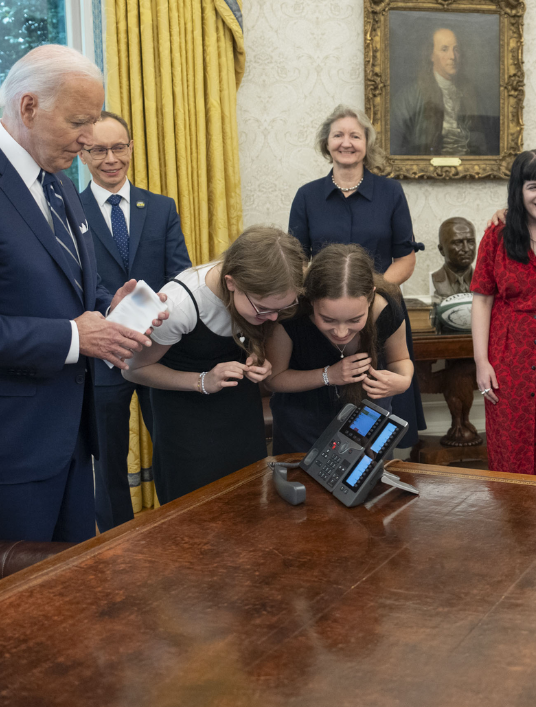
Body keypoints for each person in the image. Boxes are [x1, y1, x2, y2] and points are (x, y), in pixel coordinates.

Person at [0, 44, 161, 542]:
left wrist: (104, 309)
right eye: (79, 123)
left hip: (72, 434)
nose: (90, 139)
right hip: (11, 443)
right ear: (28, 108)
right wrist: (72, 337)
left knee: (71, 591)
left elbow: (56, 288)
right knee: (19, 605)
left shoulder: (60, 183)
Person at [122, 226, 304, 503]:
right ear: (231, 283)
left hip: (241, 414)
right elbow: (132, 369)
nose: (272, 318)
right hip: (187, 424)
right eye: (263, 310)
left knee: (249, 499)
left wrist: (258, 354)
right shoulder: (178, 304)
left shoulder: (260, 299)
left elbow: (253, 329)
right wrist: (202, 381)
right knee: (195, 513)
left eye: (282, 309)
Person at [78, 110, 192, 531]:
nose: (111, 158)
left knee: (169, 447)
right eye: (99, 149)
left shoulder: (160, 208)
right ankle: (116, 543)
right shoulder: (71, 210)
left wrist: (164, 310)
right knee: (108, 459)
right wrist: (111, 313)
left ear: (131, 148)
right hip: (103, 353)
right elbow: (75, 282)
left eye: (119, 147)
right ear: (83, 153)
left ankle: (177, 529)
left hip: (158, 350)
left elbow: (181, 273)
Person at [289, 104, 426, 448]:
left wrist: (371, 296)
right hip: (324, 318)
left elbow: (405, 259)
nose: (346, 142)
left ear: (367, 142)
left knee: (382, 404)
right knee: (324, 414)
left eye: (355, 135)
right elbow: (296, 262)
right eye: (338, 135)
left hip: (380, 313)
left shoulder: (391, 192)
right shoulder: (306, 196)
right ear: (327, 143)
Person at [471, 149, 536, 477]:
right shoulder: (497, 235)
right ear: (518, 190)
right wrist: (481, 362)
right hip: (507, 359)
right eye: (533, 186)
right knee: (509, 452)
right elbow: (482, 299)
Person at [267, 244, 415, 454]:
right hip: (302, 428)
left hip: (368, 422)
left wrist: (403, 381)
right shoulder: (290, 318)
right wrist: (328, 375)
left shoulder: (387, 311)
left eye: (355, 319)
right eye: (328, 320)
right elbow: (273, 378)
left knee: (367, 483)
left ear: (371, 297)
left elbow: (400, 361)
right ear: (310, 300)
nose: (341, 332)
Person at [391, 27, 495, 156]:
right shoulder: (408, 98)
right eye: (444, 49)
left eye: (456, 49)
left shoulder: (475, 95)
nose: (452, 56)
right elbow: (395, 149)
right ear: (431, 55)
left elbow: (489, 145)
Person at [430, 216, 477, 331]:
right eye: (458, 242)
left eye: (470, 242)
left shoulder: (485, 282)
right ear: (441, 249)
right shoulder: (436, 279)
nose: (466, 249)